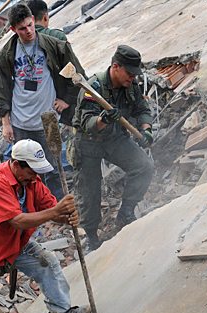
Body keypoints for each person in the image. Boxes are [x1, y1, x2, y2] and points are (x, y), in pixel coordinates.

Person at [0, 139, 91, 313]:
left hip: (13, 244)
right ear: (16, 165)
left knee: (46, 262)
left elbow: (50, 208)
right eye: (31, 172)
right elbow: (16, 221)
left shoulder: (31, 181)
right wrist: (56, 211)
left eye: (37, 172)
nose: (34, 177)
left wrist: (66, 217)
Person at [0, 3, 86, 201]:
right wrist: (6, 124)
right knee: (26, 171)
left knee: (53, 166)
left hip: (49, 119)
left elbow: (77, 75)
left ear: (33, 20)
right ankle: (35, 209)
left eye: (29, 25)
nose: (28, 31)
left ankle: (58, 206)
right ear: (13, 30)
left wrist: (67, 100)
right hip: (19, 122)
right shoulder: (6, 54)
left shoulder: (54, 45)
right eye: (22, 29)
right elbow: (0, 89)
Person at [71, 45, 154, 250]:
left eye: (135, 74)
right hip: (89, 142)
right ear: (115, 66)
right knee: (89, 192)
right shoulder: (93, 88)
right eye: (129, 73)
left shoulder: (130, 86)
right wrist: (103, 119)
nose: (133, 78)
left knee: (144, 166)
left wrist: (146, 130)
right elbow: (87, 123)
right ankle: (91, 237)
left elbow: (142, 109)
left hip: (115, 139)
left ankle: (125, 214)